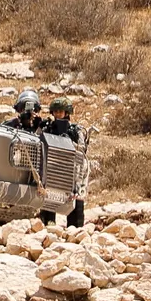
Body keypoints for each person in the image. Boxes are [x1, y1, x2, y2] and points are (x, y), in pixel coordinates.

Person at [39, 96, 88, 229]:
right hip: (53, 168)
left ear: (67, 113)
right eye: (55, 112)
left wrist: (68, 142)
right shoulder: (48, 128)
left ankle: (75, 228)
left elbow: (82, 149)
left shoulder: (75, 130)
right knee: (48, 196)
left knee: (77, 197)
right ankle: (49, 224)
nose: (57, 115)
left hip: (73, 170)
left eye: (60, 112)